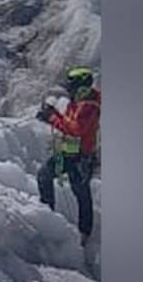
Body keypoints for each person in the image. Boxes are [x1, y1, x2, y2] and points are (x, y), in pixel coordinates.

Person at [36, 66, 101, 242]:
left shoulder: (89, 106)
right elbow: (68, 122)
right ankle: (47, 214)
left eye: (71, 87)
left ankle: (84, 234)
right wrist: (52, 113)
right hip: (69, 152)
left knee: (81, 193)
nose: (68, 91)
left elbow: (76, 129)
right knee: (44, 175)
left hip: (81, 158)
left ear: (81, 87)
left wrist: (51, 117)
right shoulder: (79, 102)